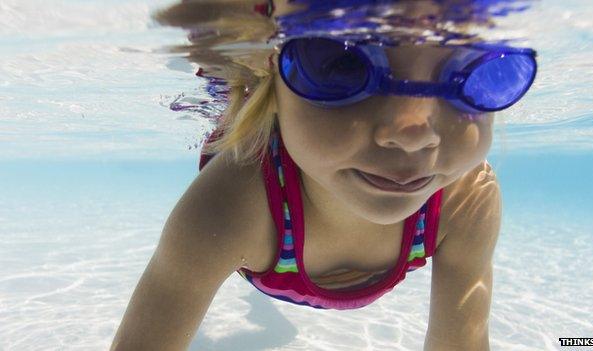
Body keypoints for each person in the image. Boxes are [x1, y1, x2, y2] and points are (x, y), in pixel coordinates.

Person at [111, 1, 537, 350]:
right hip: (266, 198)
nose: (413, 135)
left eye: (479, 72)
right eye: (338, 64)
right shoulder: (226, 209)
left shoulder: (467, 200)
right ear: (271, 69)